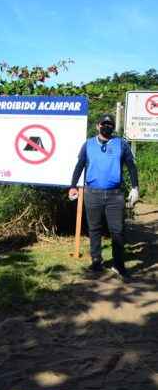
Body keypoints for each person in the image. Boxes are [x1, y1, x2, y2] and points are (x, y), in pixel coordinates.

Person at [69, 113, 139, 278]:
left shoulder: (121, 144)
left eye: (110, 125)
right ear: (97, 126)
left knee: (118, 231)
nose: (107, 127)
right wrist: (72, 186)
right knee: (94, 229)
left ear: (113, 128)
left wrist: (135, 187)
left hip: (115, 195)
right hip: (92, 193)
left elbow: (131, 166)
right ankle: (96, 262)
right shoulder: (88, 145)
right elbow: (79, 166)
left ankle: (119, 265)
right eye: (104, 124)